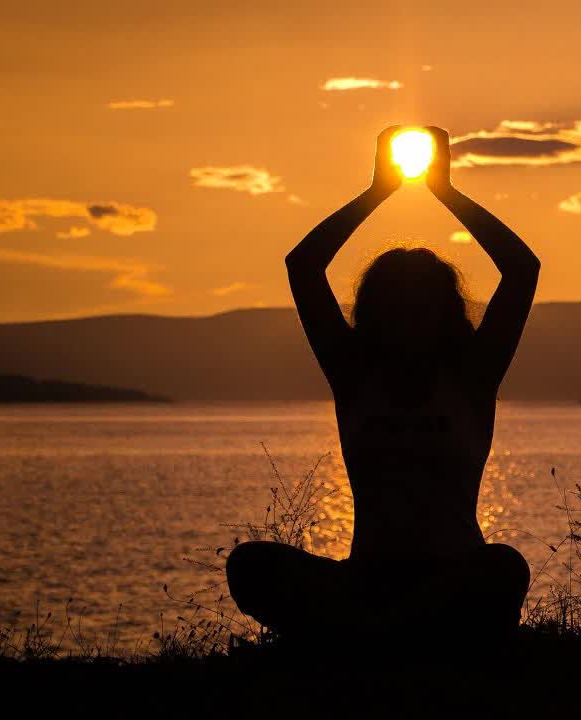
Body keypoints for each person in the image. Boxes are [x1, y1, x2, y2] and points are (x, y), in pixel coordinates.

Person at [226, 126, 538, 649]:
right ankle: (394, 638)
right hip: (365, 580)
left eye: (423, 303)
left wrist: (446, 192)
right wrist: (377, 192)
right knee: (250, 563)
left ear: (445, 312)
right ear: (375, 311)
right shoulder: (353, 374)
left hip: (451, 575)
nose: (409, 315)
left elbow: (522, 269)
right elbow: (302, 267)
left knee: (503, 567)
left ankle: (367, 640)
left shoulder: (472, 376)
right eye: (396, 303)